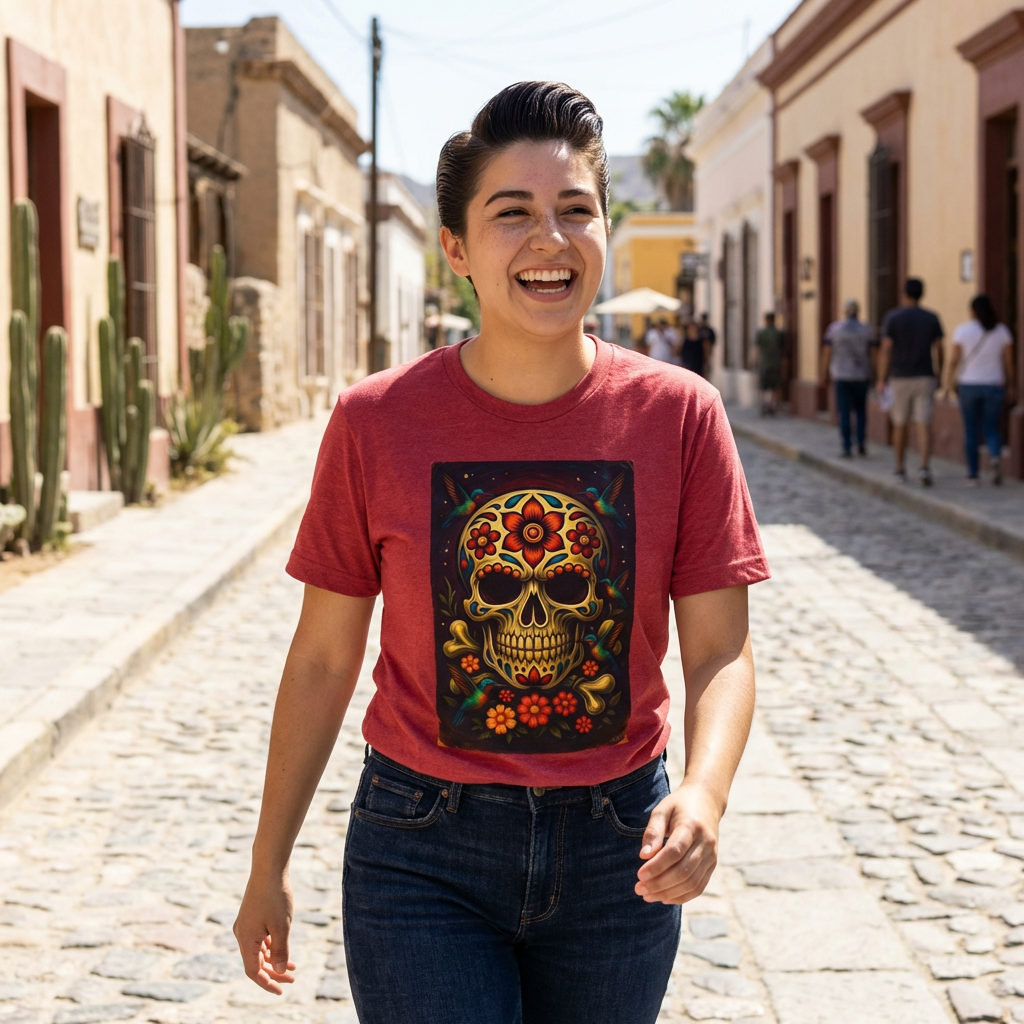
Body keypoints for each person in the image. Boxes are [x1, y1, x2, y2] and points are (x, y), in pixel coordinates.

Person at [233, 81, 770, 1024]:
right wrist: (267, 861)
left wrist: (705, 792)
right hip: (421, 850)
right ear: (456, 249)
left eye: (576, 210)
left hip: (620, 851)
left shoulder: (681, 416)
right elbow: (322, 655)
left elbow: (721, 647)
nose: (549, 240)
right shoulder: (374, 422)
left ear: (606, 228)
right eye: (512, 213)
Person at [941, 294, 1016, 486]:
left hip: (969, 385)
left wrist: (947, 384)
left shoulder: (963, 331)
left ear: (972, 311)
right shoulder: (1002, 331)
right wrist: (1011, 384)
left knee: (971, 430)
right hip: (994, 385)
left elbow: (954, 360)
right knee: (992, 428)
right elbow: (1009, 363)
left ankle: (973, 475)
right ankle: (995, 457)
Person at [877, 278, 944, 485]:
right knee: (924, 423)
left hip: (899, 377)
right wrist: (939, 373)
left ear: (904, 293)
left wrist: (881, 378)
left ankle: (900, 468)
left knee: (900, 424)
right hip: (924, 376)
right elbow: (940, 348)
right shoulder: (931, 318)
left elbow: (886, 350)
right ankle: (924, 467)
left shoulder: (893, 317)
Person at [819, 298, 877, 457]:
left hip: (842, 375)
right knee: (861, 410)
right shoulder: (866, 329)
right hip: (861, 375)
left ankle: (846, 445)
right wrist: (876, 373)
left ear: (844, 311)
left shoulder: (834, 329)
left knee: (844, 411)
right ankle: (861, 441)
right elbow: (873, 353)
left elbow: (827, 352)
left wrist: (823, 373)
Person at [753, 311, 785, 415]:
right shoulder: (779, 333)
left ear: (766, 320)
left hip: (764, 363)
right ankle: (772, 404)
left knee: (763, 385)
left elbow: (757, 349)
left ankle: (764, 404)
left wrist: (755, 361)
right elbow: (783, 350)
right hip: (776, 362)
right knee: (775, 385)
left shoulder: (762, 333)